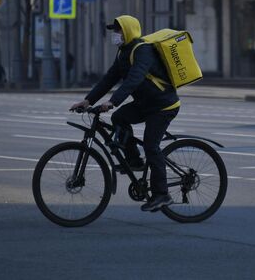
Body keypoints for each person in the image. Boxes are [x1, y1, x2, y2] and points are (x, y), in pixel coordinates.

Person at [70, 15, 180, 212]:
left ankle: (162, 195)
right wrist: (88, 101)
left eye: (118, 31)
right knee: (119, 118)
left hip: (163, 105)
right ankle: (134, 160)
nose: (116, 34)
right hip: (145, 103)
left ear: (128, 30)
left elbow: (135, 79)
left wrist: (113, 101)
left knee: (151, 145)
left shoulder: (143, 50)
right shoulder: (123, 52)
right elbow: (109, 79)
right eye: (114, 31)